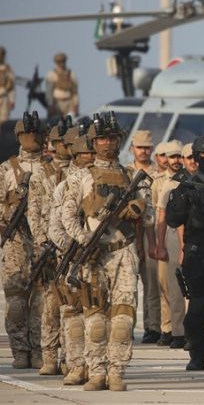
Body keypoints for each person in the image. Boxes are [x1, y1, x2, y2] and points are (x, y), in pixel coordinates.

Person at [60, 112, 151, 391]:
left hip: (123, 252)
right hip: (94, 254)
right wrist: (84, 239)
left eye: (112, 138)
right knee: (96, 318)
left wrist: (138, 208)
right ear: (93, 141)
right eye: (101, 139)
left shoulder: (130, 176)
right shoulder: (81, 177)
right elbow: (67, 217)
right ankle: (97, 372)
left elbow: (148, 216)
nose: (107, 143)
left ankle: (117, 372)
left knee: (123, 318)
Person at [167, 135, 204, 371]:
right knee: (197, 308)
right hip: (196, 251)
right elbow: (172, 219)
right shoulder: (187, 185)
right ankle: (197, 353)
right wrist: (184, 200)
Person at [27, 117, 74, 375]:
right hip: (47, 247)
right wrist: (41, 242)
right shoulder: (40, 174)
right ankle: (49, 356)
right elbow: (33, 213)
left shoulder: (78, 172)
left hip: (70, 246)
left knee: (69, 303)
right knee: (48, 305)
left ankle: (69, 356)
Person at [49, 131, 96, 385]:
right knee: (72, 313)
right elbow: (55, 227)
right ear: (76, 155)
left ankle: (95, 365)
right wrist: (75, 247)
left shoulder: (101, 181)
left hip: (98, 257)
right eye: (86, 153)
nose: (90, 157)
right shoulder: (66, 185)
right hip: (72, 257)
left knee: (97, 313)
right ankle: (76, 364)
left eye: (93, 152)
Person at [0, 112, 46, 369]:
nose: (32, 137)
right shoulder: (6, 170)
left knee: (42, 302)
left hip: (44, 242)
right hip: (16, 241)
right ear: (19, 136)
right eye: (28, 133)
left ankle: (39, 350)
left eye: (36, 132)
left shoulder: (52, 168)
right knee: (17, 301)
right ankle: (20, 350)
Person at [126, 130, 161, 346]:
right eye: (140, 147)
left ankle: (152, 326)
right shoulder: (125, 173)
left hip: (152, 232)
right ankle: (126, 326)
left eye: (147, 147)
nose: (143, 151)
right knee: (128, 283)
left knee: (151, 282)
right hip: (129, 232)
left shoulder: (158, 173)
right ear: (132, 149)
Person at [153, 141, 186, 349]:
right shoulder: (167, 184)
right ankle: (174, 331)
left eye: (180, 157)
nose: (176, 161)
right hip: (172, 236)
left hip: (193, 237)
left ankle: (187, 331)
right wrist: (159, 245)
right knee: (170, 287)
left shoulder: (195, 180)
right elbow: (161, 217)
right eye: (172, 157)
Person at [45, 53, 79, 118]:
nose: (61, 63)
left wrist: (76, 105)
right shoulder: (51, 75)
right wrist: (50, 105)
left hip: (69, 104)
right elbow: (49, 93)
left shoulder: (71, 74)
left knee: (71, 120)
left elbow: (75, 92)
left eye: (63, 61)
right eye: (59, 62)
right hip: (56, 105)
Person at [0, 46, 16, 125]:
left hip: (4, 97)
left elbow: (11, 87)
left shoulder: (8, 69)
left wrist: (12, 100)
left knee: (3, 120)